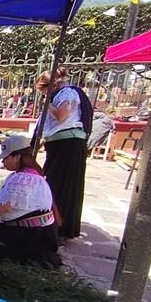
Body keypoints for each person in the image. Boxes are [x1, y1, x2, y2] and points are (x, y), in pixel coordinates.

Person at [0, 135, 60, 266]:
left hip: (30, 237)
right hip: (39, 233)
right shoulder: (25, 175)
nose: (3, 163)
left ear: (18, 156)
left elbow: (5, 207)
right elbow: (0, 197)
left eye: (6, 158)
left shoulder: (22, 179)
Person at [34, 67, 92, 239]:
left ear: (50, 86)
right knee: (55, 183)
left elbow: (61, 116)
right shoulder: (62, 95)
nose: (44, 95)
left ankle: (59, 225)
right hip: (61, 145)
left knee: (58, 185)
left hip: (68, 146)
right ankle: (55, 223)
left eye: (43, 91)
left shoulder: (68, 94)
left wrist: (46, 103)